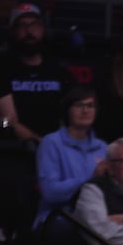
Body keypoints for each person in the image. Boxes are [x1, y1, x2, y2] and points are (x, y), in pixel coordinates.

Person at [0, 4, 73, 145]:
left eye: (34, 24)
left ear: (43, 29)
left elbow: (72, 112)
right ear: (12, 31)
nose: (29, 31)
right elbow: (7, 120)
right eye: (22, 25)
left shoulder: (58, 70)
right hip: (14, 147)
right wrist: (40, 143)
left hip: (57, 146)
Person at [33, 86, 108, 226]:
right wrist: (91, 177)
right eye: (79, 105)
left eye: (90, 106)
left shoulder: (103, 147)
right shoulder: (51, 143)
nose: (85, 111)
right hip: (60, 217)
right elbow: (50, 192)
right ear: (68, 111)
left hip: (97, 215)